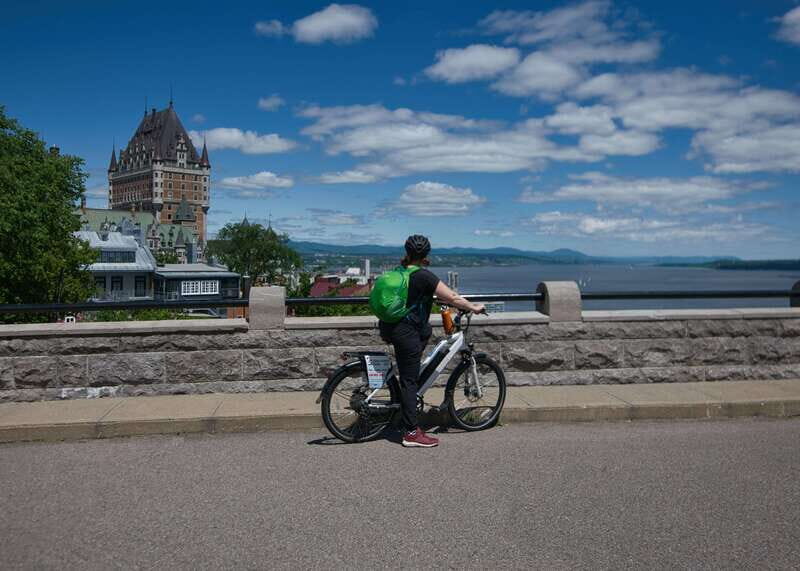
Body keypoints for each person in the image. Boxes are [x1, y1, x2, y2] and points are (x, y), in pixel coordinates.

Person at [379, 235, 485, 448]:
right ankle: (411, 433)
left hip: (391, 326)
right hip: (405, 331)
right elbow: (452, 297)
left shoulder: (400, 271)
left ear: (407, 253)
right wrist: (474, 307)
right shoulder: (423, 276)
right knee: (409, 381)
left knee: (424, 334)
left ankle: (407, 400)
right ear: (426, 255)